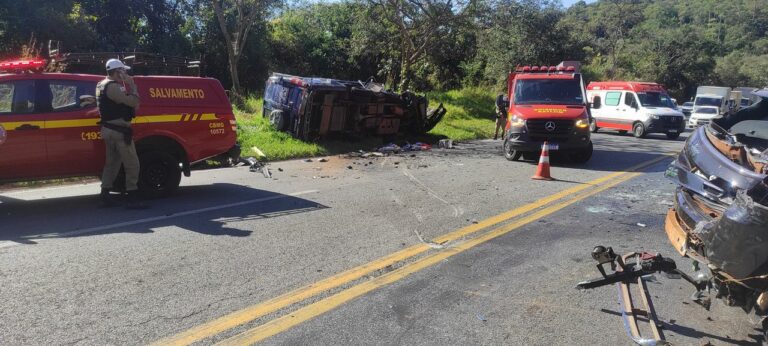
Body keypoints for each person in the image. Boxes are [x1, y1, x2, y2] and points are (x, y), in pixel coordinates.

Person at [97, 59, 147, 209]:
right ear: (117, 71)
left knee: (112, 164)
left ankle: (105, 194)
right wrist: (132, 85)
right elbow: (133, 102)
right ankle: (132, 197)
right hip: (119, 131)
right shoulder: (113, 87)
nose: (125, 74)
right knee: (132, 164)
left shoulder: (101, 84)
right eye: (123, 71)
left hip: (109, 130)